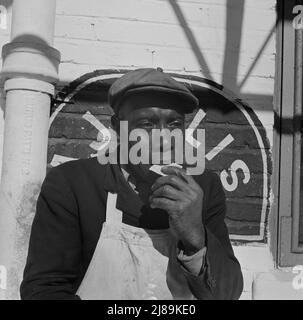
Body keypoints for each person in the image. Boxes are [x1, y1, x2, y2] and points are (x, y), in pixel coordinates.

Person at [20, 68, 243, 300]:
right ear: (117, 127)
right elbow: (43, 291)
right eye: (147, 124)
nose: (164, 140)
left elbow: (227, 295)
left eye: (175, 124)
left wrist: (195, 236)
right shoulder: (72, 184)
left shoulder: (204, 187)